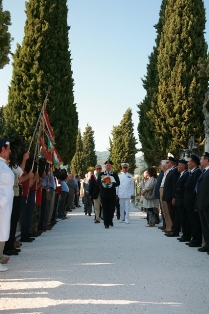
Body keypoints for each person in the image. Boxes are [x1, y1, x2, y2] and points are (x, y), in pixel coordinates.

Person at [0, 138, 14, 271]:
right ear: (3, 149)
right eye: (8, 149)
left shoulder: (3, 164)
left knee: (3, 230)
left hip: (5, 203)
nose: (9, 151)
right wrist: (1, 201)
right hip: (1, 203)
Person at [184, 155, 202, 247]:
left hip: (192, 202)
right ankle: (193, 238)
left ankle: (196, 240)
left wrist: (194, 203)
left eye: (189, 161)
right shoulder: (191, 173)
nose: (187, 163)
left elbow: (194, 189)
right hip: (188, 202)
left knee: (195, 222)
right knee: (191, 221)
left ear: (194, 163)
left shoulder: (197, 172)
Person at [97, 160, 120, 229]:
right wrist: (103, 185)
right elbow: (98, 183)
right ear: (105, 166)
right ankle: (106, 223)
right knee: (105, 208)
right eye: (107, 165)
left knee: (112, 208)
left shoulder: (114, 174)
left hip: (112, 193)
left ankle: (110, 220)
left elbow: (118, 183)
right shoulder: (101, 174)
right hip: (104, 193)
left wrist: (111, 184)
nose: (108, 166)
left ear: (111, 166)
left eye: (109, 165)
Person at [173, 159, 190, 242]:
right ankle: (184, 234)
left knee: (184, 218)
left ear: (183, 167)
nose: (177, 167)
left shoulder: (186, 174)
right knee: (181, 218)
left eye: (179, 166)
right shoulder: (181, 174)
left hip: (182, 199)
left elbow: (182, 188)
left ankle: (186, 235)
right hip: (179, 199)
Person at [195, 152, 209, 253]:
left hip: (207, 203)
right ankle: (207, 245)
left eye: (201, 159)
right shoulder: (204, 171)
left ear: (207, 160)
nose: (200, 161)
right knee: (205, 226)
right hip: (201, 203)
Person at [163, 156, 180, 237]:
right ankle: (173, 229)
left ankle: (175, 230)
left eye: (168, 162)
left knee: (174, 214)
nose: (167, 164)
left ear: (171, 163)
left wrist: (174, 197)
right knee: (171, 213)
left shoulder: (175, 171)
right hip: (168, 196)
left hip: (171, 196)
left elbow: (174, 185)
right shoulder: (171, 171)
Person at [159, 160, 173, 233]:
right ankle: (167, 226)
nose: (160, 166)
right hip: (162, 190)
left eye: (161, 165)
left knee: (167, 210)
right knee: (164, 210)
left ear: (164, 166)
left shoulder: (169, 172)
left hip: (165, 191)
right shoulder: (164, 173)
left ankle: (169, 227)